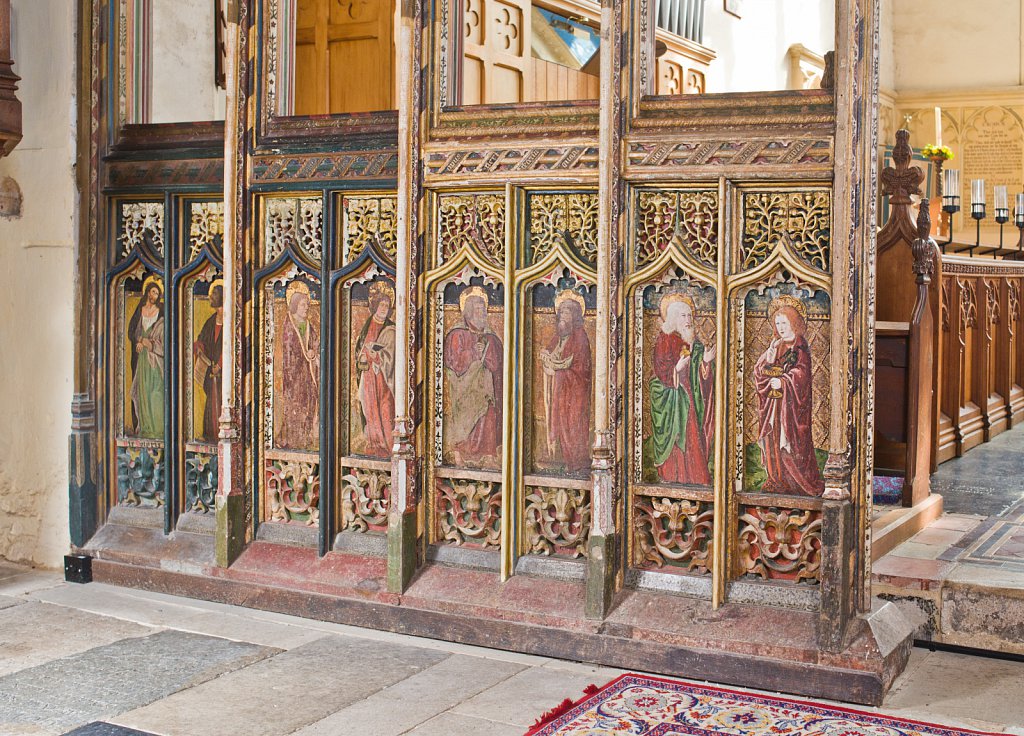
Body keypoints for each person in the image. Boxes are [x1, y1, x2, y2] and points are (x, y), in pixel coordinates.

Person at [753, 295, 824, 496]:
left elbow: (801, 375)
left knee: (792, 445)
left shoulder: (800, 347)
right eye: (777, 323)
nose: (781, 327)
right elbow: (758, 372)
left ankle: (798, 483)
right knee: (773, 439)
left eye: (784, 323)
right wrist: (767, 361)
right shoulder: (776, 345)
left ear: (793, 322)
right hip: (773, 406)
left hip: (792, 410)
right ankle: (776, 478)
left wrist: (784, 381)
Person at [649, 293, 715, 485]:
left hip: (689, 395)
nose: (688, 320)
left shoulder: (691, 339)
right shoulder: (665, 339)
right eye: (683, 316)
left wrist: (705, 361)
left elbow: (699, 369)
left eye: (689, 316)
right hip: (674, 398)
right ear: (673, 318)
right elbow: (661, 369)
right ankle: (672, 477)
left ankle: (696, 478)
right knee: (680, 435)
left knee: (693, 437)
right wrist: (676, 370)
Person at [444, 286, 503, 465]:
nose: (482, 313)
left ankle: (488, 455)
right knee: (468, 420)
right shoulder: (457, 333)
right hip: (465, 389)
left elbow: (498, 363)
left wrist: (487, 351)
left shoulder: (490, 335)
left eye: (483, 310)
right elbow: (454, 362)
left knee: (489, 414)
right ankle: (461, 454)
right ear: (468, 311)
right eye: (478, 310)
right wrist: (473, 353)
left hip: (486, 389)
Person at [539, 290, 592, 473]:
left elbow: (581, 367)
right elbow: (549, 351)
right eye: (561, 312)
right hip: (560, 391)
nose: (563, 316)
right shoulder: (560, 335)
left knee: (573, 423)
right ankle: (561, 458)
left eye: (567, 312)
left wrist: (559, 370)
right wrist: (546, 357)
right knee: (561, 421)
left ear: (575, 315)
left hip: (575, 391)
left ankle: (577, 461)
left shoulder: (580, 336)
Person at [355, 280, 396, 458]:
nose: (384, 308)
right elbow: (359, 349)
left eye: (387, 305)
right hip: (368, 376)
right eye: (381, 304)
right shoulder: (367, 326)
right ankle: (374, 443)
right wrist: (363, 358)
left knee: (386, 409)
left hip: (384, 379)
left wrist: (378, 356)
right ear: (374, 306)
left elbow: (393, 355)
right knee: (369, 409)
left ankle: (389, 446)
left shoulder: (390, 329)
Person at [278, 280, 320, 450]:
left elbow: (316, 343)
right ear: (295, 305)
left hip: (308, 375)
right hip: (295, 379)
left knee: (309, 406)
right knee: (296, 408)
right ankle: (293, 441)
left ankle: (305, 439)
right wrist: (305, 355)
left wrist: (314, 352)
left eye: (307, 305)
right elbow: (289, 353)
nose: (306, 308)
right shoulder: (289, 327)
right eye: (303, 305)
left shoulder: (308, 325)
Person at [128, 276, 165, 439]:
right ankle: (145, 427)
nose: (154, 295)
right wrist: (138, 341)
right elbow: (132, 331)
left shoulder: (160, 313)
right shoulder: (141, 309)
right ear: (147, 292)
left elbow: (163, 336)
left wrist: (147, 342)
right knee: (142, 390)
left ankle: (157, 429)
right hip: (141, 357)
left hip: (154, 358)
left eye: (157, 293)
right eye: (153, 291)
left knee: (155, 390)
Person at [194, 280, 223, 443]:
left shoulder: (230, 318)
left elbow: (232, 344)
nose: (210, 297)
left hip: (224, 371)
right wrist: (199, 348)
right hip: (211, 371)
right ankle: (211, 434)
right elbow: (202, 339)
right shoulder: (212, 320)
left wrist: (220, 365)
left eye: (214, 294)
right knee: (211, 401)